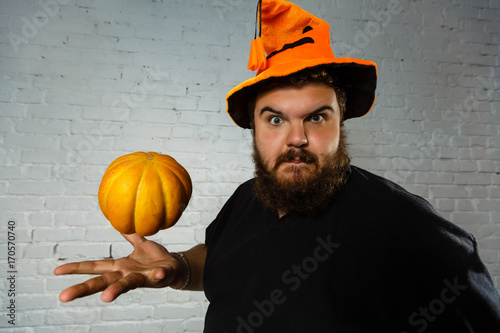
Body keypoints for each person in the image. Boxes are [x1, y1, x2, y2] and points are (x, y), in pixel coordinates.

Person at [55, 0, 500, 332]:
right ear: (254, 126)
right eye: (275, 118)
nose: (296, 138)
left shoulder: (405, 225)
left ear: (341, 121)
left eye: (317, 116)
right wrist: (178, 268)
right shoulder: (247, 199)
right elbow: (235, 264)